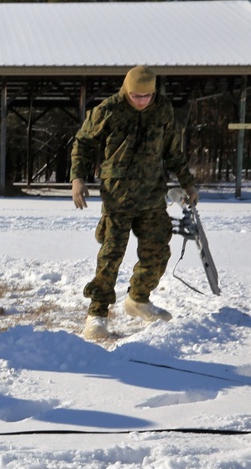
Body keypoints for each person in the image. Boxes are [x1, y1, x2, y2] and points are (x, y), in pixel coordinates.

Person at [69, 65, 199, 341]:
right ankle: (97, 314)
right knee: (110, 256)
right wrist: (77, 179)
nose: (141, 100)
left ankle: (138, 300)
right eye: (136, 95)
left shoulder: (163, 109)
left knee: (157, 252)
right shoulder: (108, 110)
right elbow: (82, 143)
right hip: (118, 196)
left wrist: (188, 182)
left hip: (152, 194)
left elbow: (173, 151)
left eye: (147, 96)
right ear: (126, 90)